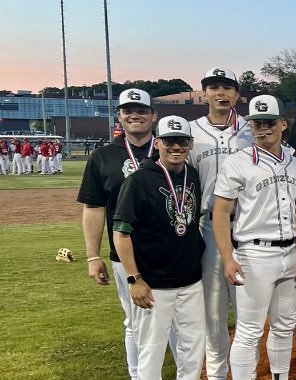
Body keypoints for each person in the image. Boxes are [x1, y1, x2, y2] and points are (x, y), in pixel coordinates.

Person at [212, 95, 296, 380]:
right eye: (256, 124)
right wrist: (228, 258)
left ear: (283, 124)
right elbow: (221, 212)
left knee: (283, 326)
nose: (262, 129)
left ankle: (278, 376)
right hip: (254, 253)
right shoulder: (237, 162)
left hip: (291, 252)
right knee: (249, 330)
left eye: (269, 123)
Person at [78, 88, 167, 380]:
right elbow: (94, 208)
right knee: (135, 321)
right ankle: (137, 376)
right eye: (128, 110)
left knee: (176, 321)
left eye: (141, 110)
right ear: (119, 116)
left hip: (172, 251)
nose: (135, 115)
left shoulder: (170, 148)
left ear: (153, 116)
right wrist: (93, 256)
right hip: (124, 254)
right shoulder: (103, 157)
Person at [112, 115, 206, 380]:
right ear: (158, 144)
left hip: (190, 281)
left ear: (190, 143)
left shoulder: (193, 175)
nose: (175, 147)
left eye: (181, 141)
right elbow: (121, 234)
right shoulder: (139, 180)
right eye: (169, 141)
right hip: (153, 284)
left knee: (192, 349)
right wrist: (134, 279)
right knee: (151, 353)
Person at [186, 67, 251, 380]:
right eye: (214, 87)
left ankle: (244, 373)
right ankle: (215, 374)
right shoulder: (190, 132)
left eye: (227, 87)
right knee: (213, 312)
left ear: (237, 94)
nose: (221, 93)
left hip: (250, 229)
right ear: (204, 93)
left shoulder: (253, 130)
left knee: (247, 312)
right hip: (209, 228)